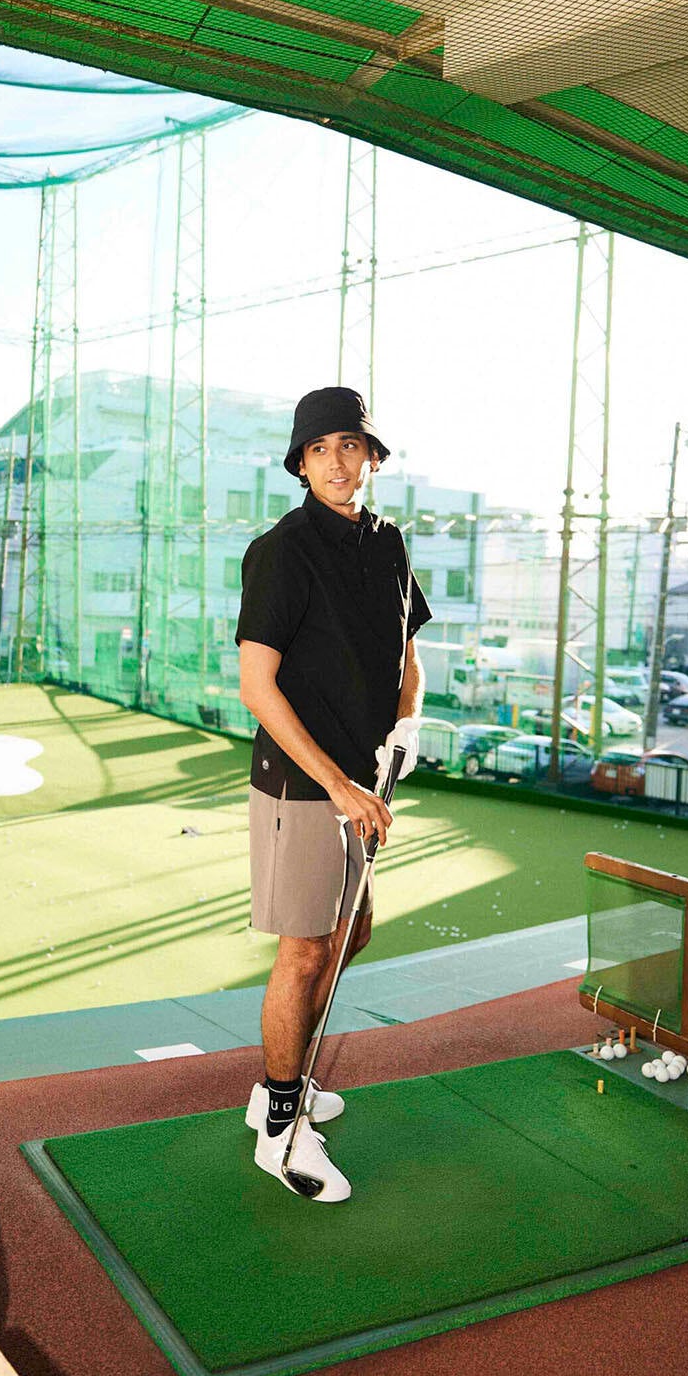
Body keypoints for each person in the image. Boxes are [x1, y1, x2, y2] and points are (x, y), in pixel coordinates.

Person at [236, 386, 431, 1202]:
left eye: (350, 445)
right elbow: (256, 685)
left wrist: (404, 730)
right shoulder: (281, 551)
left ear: (372, 457)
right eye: (319, 450)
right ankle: (280, 1129)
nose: (337, 462)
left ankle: (274, 1088)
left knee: (351, 936)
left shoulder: (389, 545)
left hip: (361, 782)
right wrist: (340, 784)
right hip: (305, 783)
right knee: (306, 949)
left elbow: (408, 658)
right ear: (301, 464)